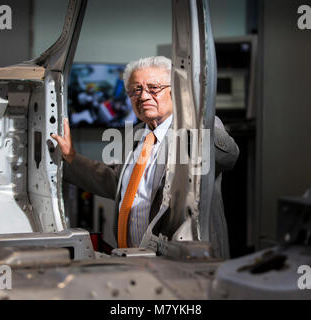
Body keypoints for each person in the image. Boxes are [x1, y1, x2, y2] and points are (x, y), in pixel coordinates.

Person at [51, 56, 239, 258]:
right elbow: (118, 183)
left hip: (183, 262)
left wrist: (194, 115)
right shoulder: (136, 134)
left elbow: (228, 157)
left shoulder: (196, 127)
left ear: (175, 91)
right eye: (136, 90)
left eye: (153, 88)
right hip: (132, 258)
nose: (143, 96)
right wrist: (71, 157)